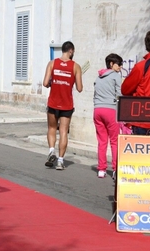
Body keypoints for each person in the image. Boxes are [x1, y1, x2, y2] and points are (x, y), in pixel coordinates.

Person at [42, 41, 83, 170]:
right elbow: (80, 88)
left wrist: (51, 83)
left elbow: (45, 83)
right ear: (71, 51)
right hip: (67, 104)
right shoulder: (76, 67)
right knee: (64, 131)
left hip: (53, 102)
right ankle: (60, 161)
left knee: (52, 128)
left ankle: (51, 151)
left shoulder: (52, 63)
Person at [93, 53, 123, 179]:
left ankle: (101, 169)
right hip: (111, 110)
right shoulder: (116, 76)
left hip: (97, 110)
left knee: (102, 141)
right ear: (111, 64)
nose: (120, 67)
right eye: (119, 64)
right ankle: (115, 169)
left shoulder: (98, 77)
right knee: (114, 141)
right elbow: (119, 94)